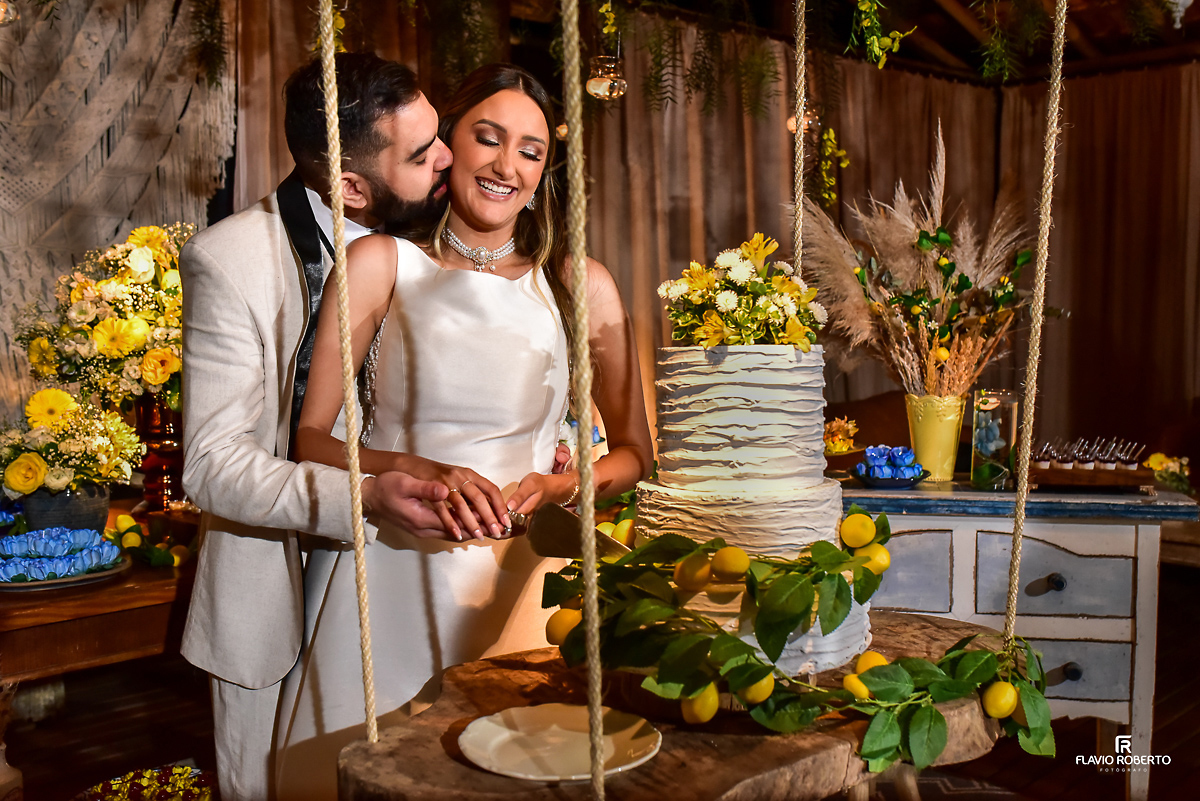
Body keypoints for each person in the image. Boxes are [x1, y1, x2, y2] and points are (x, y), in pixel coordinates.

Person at [274, 63, 653, 797]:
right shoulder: (380, 261)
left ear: (542, 175)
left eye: (530, 151)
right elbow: (311, 439)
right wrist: (412, 468)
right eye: (488, 137)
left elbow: (636, 453)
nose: (507, 164)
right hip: (392, 568)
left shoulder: (578, 282)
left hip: (523, 582)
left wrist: (560, 488)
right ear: (449, 144)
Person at [180, 54, 459, 801]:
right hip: (274, 602)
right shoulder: (229, 260)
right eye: (421, 154)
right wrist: (361, 497)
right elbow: (211, 464)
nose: (448, 158)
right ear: (351, 187)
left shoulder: (434, 246)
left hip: (410, 588)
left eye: (438, 136)